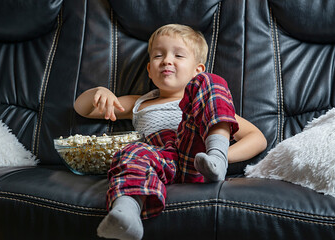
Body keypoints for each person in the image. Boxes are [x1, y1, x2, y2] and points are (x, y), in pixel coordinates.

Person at [74, 24, 267, 240]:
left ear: (197, 69)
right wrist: (100, 92)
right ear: (149, 70)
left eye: (178, 55)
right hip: (158, 160)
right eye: (158, 55)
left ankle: (217, 158)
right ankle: (126, 214)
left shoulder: (203, 101)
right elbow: (83, 109)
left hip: (196, 158)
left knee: (213, 82)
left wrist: (219, 158)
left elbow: (257, 138)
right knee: (131, 151)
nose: (166, 60)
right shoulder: (140, 102)